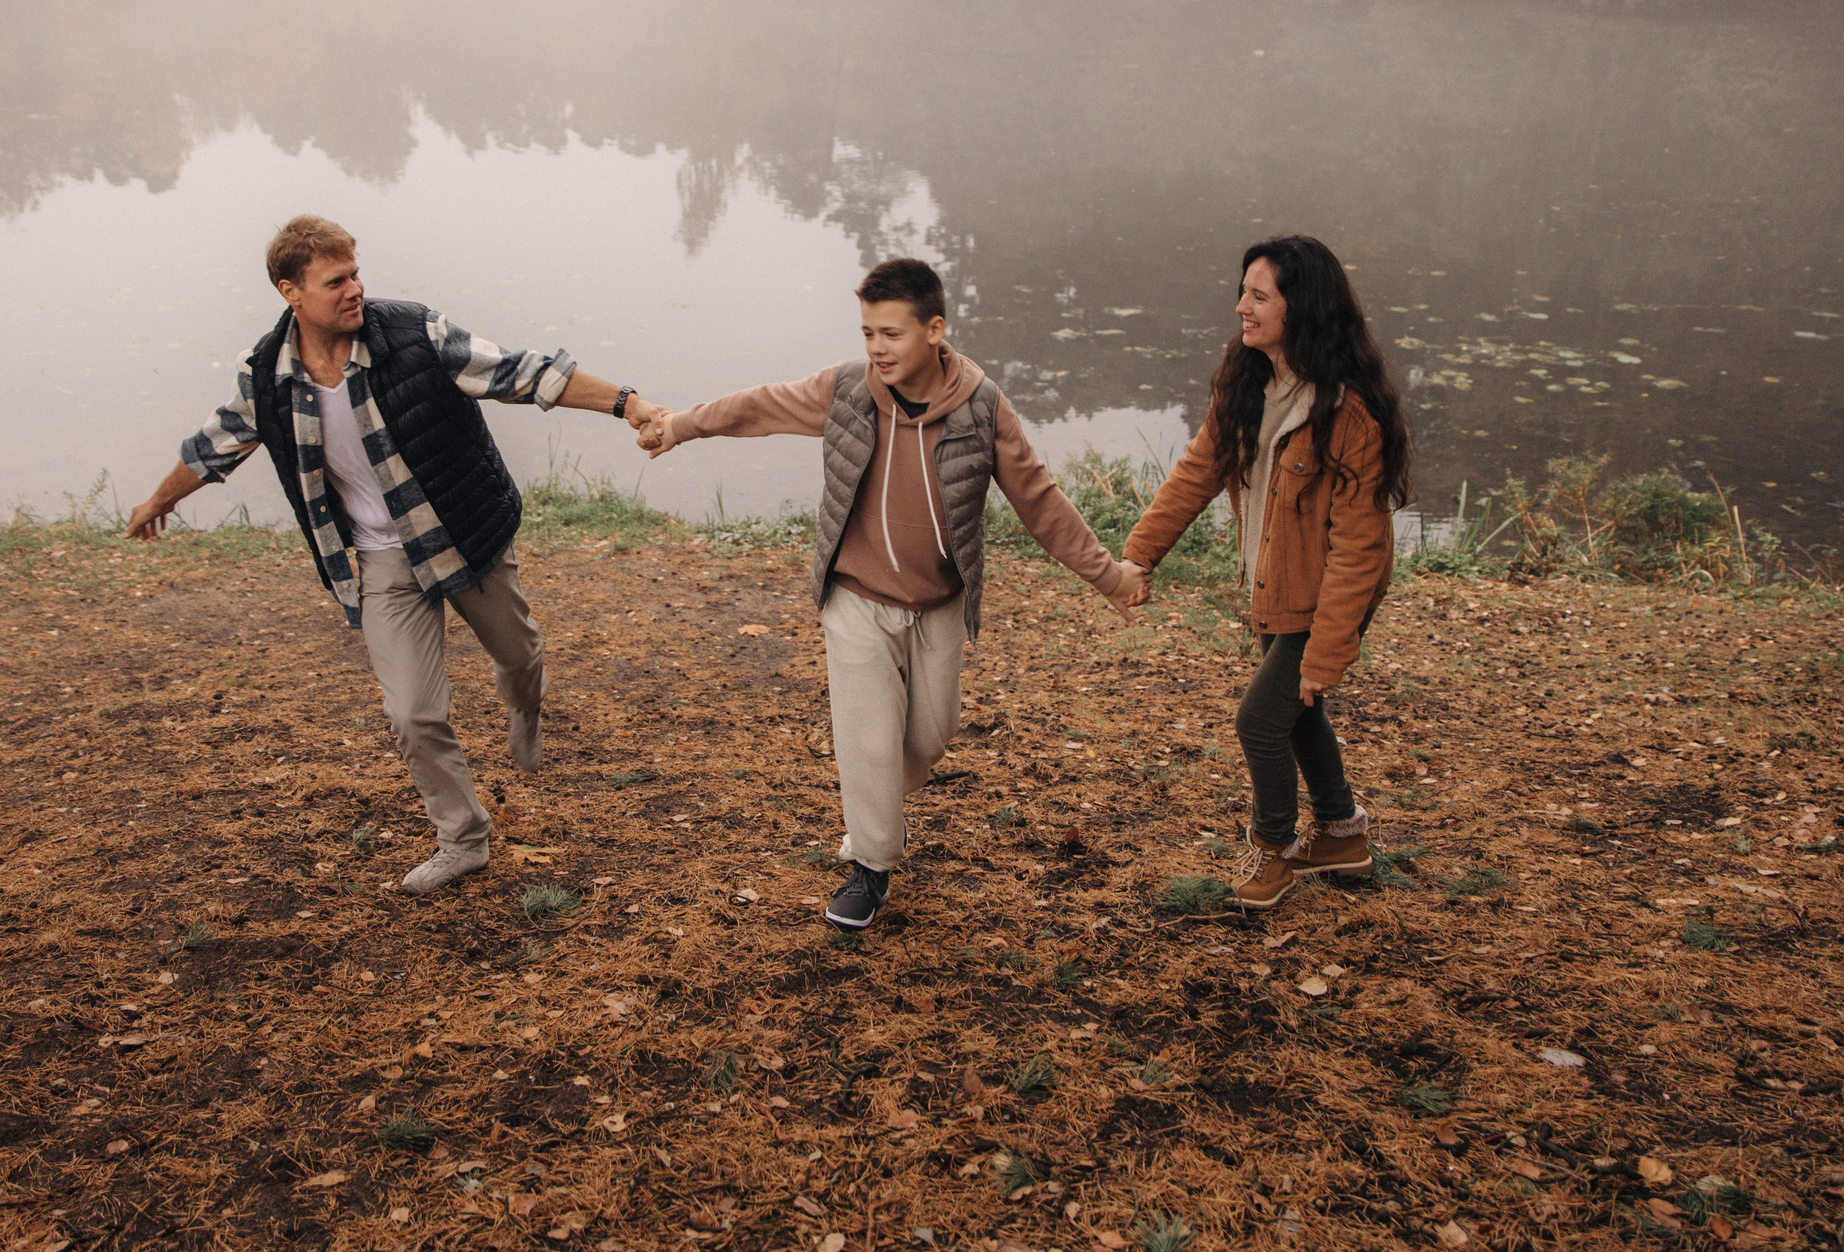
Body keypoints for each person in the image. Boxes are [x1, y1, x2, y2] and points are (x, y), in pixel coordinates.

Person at [126, 215, 664, 896]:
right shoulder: (267, 376)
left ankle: (525, 702)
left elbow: (521, 373)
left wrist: (627, 403)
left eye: (355, 274)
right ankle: (463, 839)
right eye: (335, 281)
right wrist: (157, 501)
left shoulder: (413, 333)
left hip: (462, 533)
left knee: (519, 654)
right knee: (412, 712)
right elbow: (215, 445)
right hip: (381, 561)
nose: (354, 289)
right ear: (291, 291)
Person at [639, 257, 1141, 931]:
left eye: (892, 333)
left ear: (935, 330)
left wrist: (1107, 575)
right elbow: (760, 406)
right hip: (856, 595)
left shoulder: (983, 407)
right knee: (869, 740)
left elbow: (1039, 500)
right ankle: (870, 866)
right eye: (868, 332)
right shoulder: (847, 390)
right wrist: (681, 424)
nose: (877, 347)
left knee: (930, 737)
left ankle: (877, 802)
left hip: (937, 602)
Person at [1121, 235, 1411, 911]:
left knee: (1259, 721)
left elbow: (1360, 549)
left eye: (1259, 296)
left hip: (1328, 596)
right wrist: (1140, 555)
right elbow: (1199, 470)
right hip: (1273, 585)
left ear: (1299, 307)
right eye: (1242, 292)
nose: (1242, 307)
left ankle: (1274, 850)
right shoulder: (1248, 380)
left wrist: (1327, 650)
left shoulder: (1349, 414)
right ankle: (1341, 833)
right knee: (1296, 716)